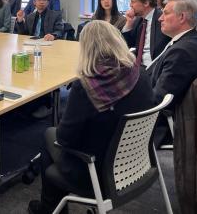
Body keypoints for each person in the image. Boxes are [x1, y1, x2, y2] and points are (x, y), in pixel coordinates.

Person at [27, 20, 155, 214]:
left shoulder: (87, 87)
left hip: (97, 171)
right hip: (136, 163)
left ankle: (49, 208)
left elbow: (65, 139)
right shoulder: (140, 75)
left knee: (49, 135)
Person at [147, 0, 197, 108]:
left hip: (160, 119)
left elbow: (158, 99)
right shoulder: (192, 39)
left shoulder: (182, 52)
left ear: (182, 17)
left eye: (166, 13)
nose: (160, 18)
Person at [122, 0, 170, 71]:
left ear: (146, 3)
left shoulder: (162, 19)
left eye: (133, 2)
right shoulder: (138, 21)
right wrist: (129, 23)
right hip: (139, 69)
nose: (130, 5)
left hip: (155, 69)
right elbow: (126, 45)